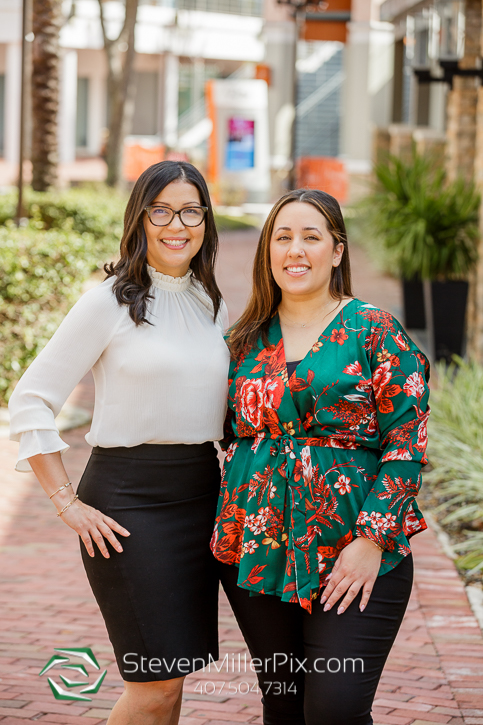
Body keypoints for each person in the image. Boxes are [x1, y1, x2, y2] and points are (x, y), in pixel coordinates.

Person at [9, 161, 230, 725]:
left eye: (190, 210)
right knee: (152, 684)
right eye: (161, 210)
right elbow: (31, 398)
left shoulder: (211, 302)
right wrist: (66, 502)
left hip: (201, 499)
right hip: (129, 507)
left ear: (205, 220)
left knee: (173, 681)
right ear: (140, 218)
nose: (176, 223)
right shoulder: (109, 301)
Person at [210, 188, 430, 725]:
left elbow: (406, 445)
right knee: (282, 705)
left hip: (353, 552)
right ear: (268, 252)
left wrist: (371, 540)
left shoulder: (374, 330)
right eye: (282, 237)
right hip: (258, 551)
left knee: (334, 709)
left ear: (337, 250)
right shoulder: (243, 340)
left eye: (312, 236)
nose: (296, 250)